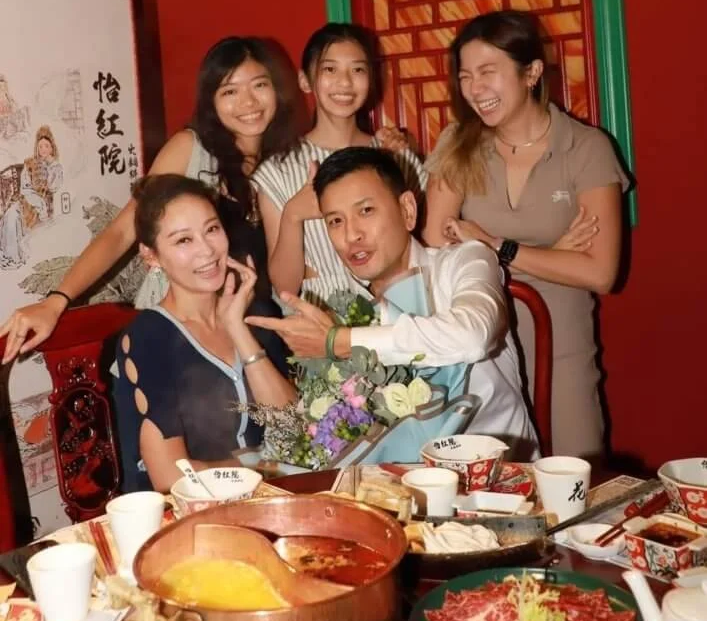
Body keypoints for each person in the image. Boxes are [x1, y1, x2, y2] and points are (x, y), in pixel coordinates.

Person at [0, 36, 301, 363]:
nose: (248, 102)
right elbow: (122, 231)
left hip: (264, 333)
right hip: (186, 336)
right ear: (211, 100)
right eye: (230, 91)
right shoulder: (190, 150)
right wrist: (57, 300)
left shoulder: (291, 162)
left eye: (259, 85)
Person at [423, 11, 629, 457]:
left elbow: (600, 272)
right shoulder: (457, 143)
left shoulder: (586, 148)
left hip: (563, 347)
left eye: (488, 72)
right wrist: (553, 255)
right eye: (465, 76)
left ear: (532, 72)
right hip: (480, 351)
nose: (474, 89)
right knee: (489, 485)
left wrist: (496, 247)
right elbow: (436, 249)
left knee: (576, 477)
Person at [246, 147, 536, 458]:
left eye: (366, 211)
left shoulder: (464, 262)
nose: (351, 235)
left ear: (407, 210)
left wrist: (341, 342)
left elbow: (472, 337)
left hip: (501, 474)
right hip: (396, 482)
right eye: (335, 221)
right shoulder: (347, 310)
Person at [113, 175, 295, 492]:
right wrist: (264, 468)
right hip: (189, 510)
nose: (207, 250)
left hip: (268, 495)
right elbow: (171, 477)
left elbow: (292, 426)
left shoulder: (255, 312)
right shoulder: (149, 338)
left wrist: (238, 328)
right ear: (151, 256)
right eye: (184, 240)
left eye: (212, 229)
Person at [253, 23, 427, 309]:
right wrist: (294, 214)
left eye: (357, 70)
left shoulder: (397, 158)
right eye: (330, 69)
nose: (345, 82)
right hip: (321, 316)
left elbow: (425, 250)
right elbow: (285, 287)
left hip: (400, 311)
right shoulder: (278, 170)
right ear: (305, 80)